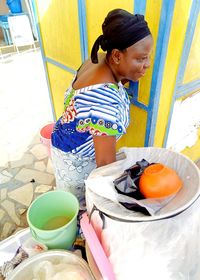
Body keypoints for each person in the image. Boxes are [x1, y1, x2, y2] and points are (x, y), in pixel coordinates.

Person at [51, 8, 153, 206]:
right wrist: (122, 202)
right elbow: (105, 167)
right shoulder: (104, 101)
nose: (147, 64)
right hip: (77, 164)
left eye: (148, 57)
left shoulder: (96, 59)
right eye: (141, 58)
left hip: (62, 144)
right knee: (81, 207)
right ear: (116, 56)